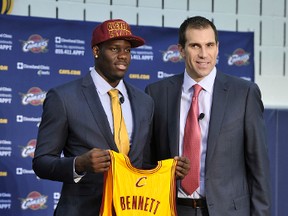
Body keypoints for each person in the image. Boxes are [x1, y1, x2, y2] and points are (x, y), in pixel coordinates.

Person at [32, 19, 189, 216]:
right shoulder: (63, 98)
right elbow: (42, 163)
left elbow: (143, 163)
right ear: (96, 51)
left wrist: (169, 169)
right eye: (114, 49)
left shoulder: (144, 102)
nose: (123, 56)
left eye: (127, 50)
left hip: (133, 209)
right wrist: (79, 164)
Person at [144, 16, 271, 216]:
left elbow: (258, 166)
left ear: (217, 48)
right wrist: (166, 169)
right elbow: (146, 161)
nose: (204, 54)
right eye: (195, 45)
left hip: (229, 211)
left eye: (209, 45)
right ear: (181, 50)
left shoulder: (244, 93)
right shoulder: (156, 93)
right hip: (172, 209)